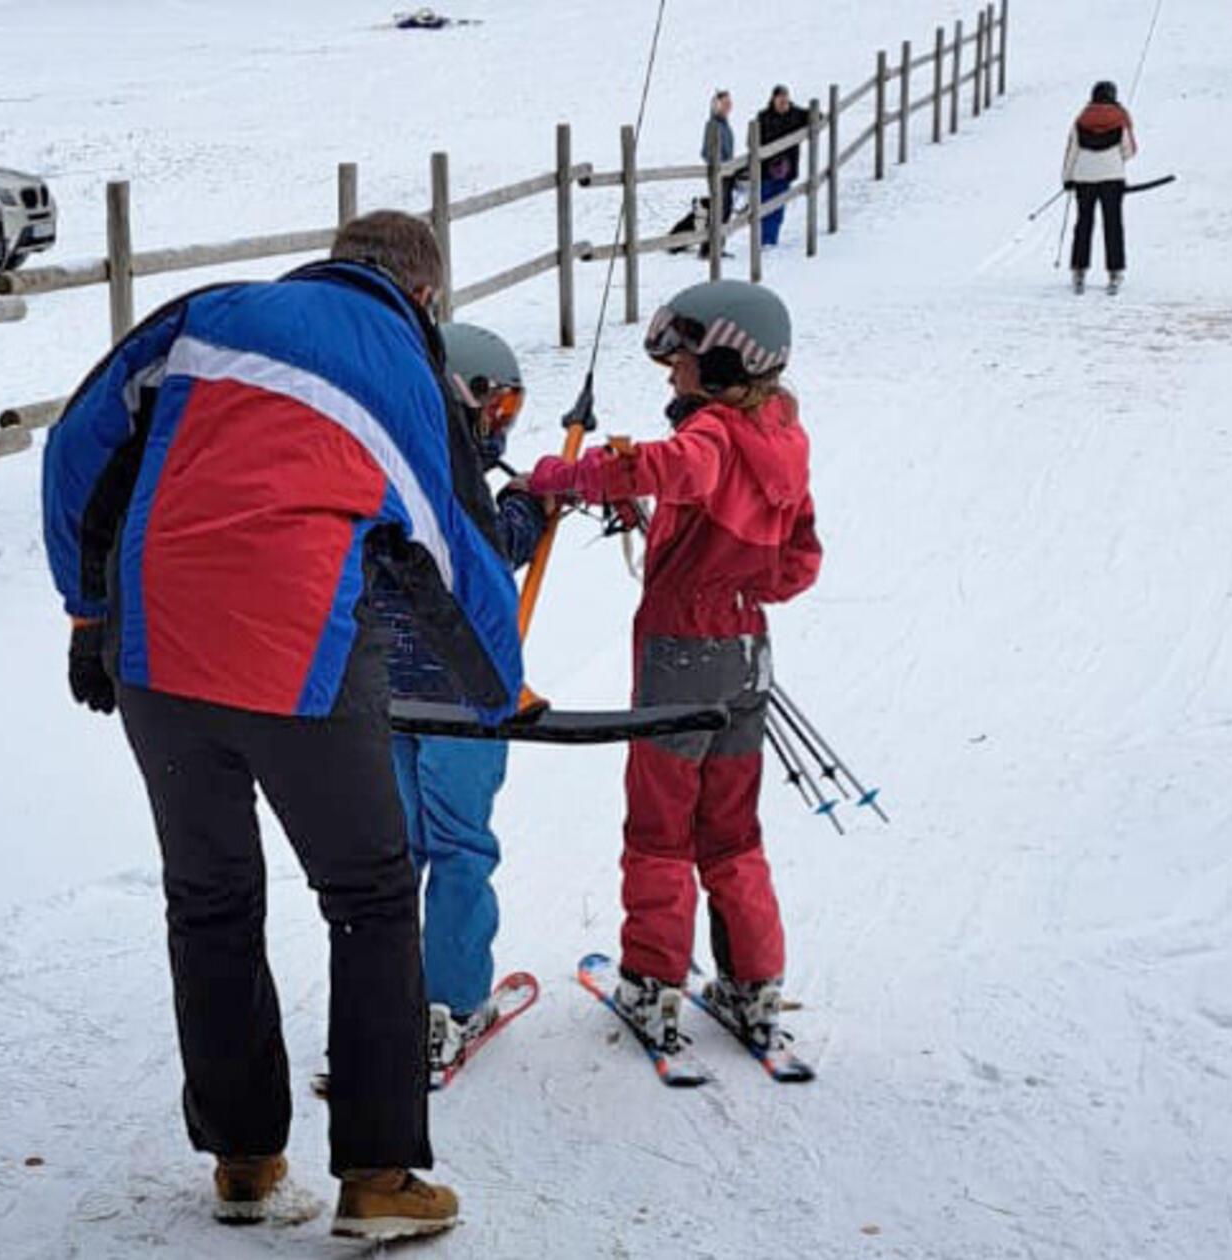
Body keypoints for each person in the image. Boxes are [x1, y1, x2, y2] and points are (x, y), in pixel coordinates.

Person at [41, 210, 526, 1241]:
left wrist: (87, 611)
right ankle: (378, 1176)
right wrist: (495, 695)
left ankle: (244, 1159)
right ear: (426, 297)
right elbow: (458, 547)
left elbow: (77, 448)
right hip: (295, 656)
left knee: (209, 899)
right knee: (371, 897)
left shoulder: (207, 313)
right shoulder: (405, 369)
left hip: (155, 654)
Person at [520, 279, 821, 1058]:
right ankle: (752, 987)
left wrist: (568, 476)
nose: (670, 374)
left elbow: (670, 467)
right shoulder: (782, 436)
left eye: (681, 361)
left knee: (659, 828)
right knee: (730, 828)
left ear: (723, 359)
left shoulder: (715, 434)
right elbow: (797, 566)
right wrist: (730, 572)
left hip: (679, 652)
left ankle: (651, 987)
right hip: (745, 652)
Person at [370, 323, 545, 1077]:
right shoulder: (454, 475)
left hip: (382, 697)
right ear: (468, 399)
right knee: (460, 848)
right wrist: (530, 509)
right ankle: (451, 997)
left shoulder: (378, 460)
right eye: (500, 405)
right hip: (462, 702)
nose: (503, 422)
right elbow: (485, 549)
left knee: (397, 848)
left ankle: (382, 997)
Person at [1062, 81, 1138, 296]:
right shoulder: (1120, 118)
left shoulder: (1081, 118)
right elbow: (1129, 150)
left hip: (1084, 177)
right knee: (1113, 224)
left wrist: (1067, 179)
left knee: (1083, 223)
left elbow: (1072, 151)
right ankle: (1114, 271)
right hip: (1112, 178)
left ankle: (1079, 270)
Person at [753, 86, 810, 248]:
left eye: (785, 100)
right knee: (764, 205)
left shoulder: (796, 114)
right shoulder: (763, 116)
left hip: (785, 171)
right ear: (773, 100)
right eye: (780, 100)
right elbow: (753, 141)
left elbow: (816, 116)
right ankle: (764, 240)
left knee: (778, 207)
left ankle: (770, 241)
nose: (783, 103)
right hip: (765, 171)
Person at [701, 90, 739, 228]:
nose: (728, 106)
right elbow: (705, 152)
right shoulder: (713, 125)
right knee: (719, 210)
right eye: (724, 103)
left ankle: (718, 247)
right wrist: (721, 165)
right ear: (716, 106)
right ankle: (709, 248)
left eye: (729, 103)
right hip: (718, 174)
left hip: (727, 173)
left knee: (726, 210)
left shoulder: (725, 125)